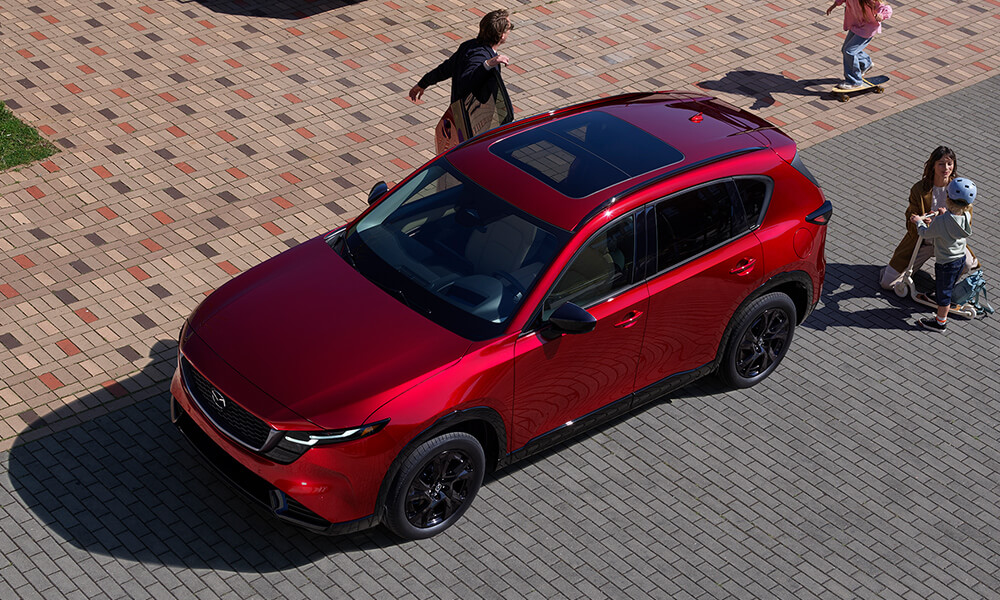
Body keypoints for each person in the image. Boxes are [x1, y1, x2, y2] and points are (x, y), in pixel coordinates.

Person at [880, 146, 979, 289]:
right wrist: (920, 218)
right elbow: (910, 215)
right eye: (941, 164)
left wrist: (949, 218)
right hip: (923, 241)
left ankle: (944, 283)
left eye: (949, 164)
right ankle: (897, 271)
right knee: (887, 284)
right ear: (933, 165)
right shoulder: (920, 189)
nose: (946, 168)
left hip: (948, 242)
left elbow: (966, 221)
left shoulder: (960, 188)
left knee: (967, 263)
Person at [408, 9, 513, 105]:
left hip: (458, 111)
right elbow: (466, 81)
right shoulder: (482, 57)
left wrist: (423, 83)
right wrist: (487, 65)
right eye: (510, 27)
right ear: (502, 35)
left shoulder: (469, 46)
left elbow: (446, 69)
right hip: (472, 118)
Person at [911, 178, 976, 332]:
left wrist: (918, 221)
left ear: (948, 198)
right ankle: (941, 299)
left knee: (944, 293)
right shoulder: (965, 216)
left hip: (946, 262)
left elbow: (925, 233)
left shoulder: (941, 222)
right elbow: (952, 220)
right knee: (948, 285)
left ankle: (940, 322)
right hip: (960, 258)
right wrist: (944, 214)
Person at [826, 0, 892, 91]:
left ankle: (854, 81)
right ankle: (865, 63)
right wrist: (834, 5)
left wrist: (882, 15)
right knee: (846, 50)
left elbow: (886, 7)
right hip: (856, 25)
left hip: (867, 28)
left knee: (849, 52)